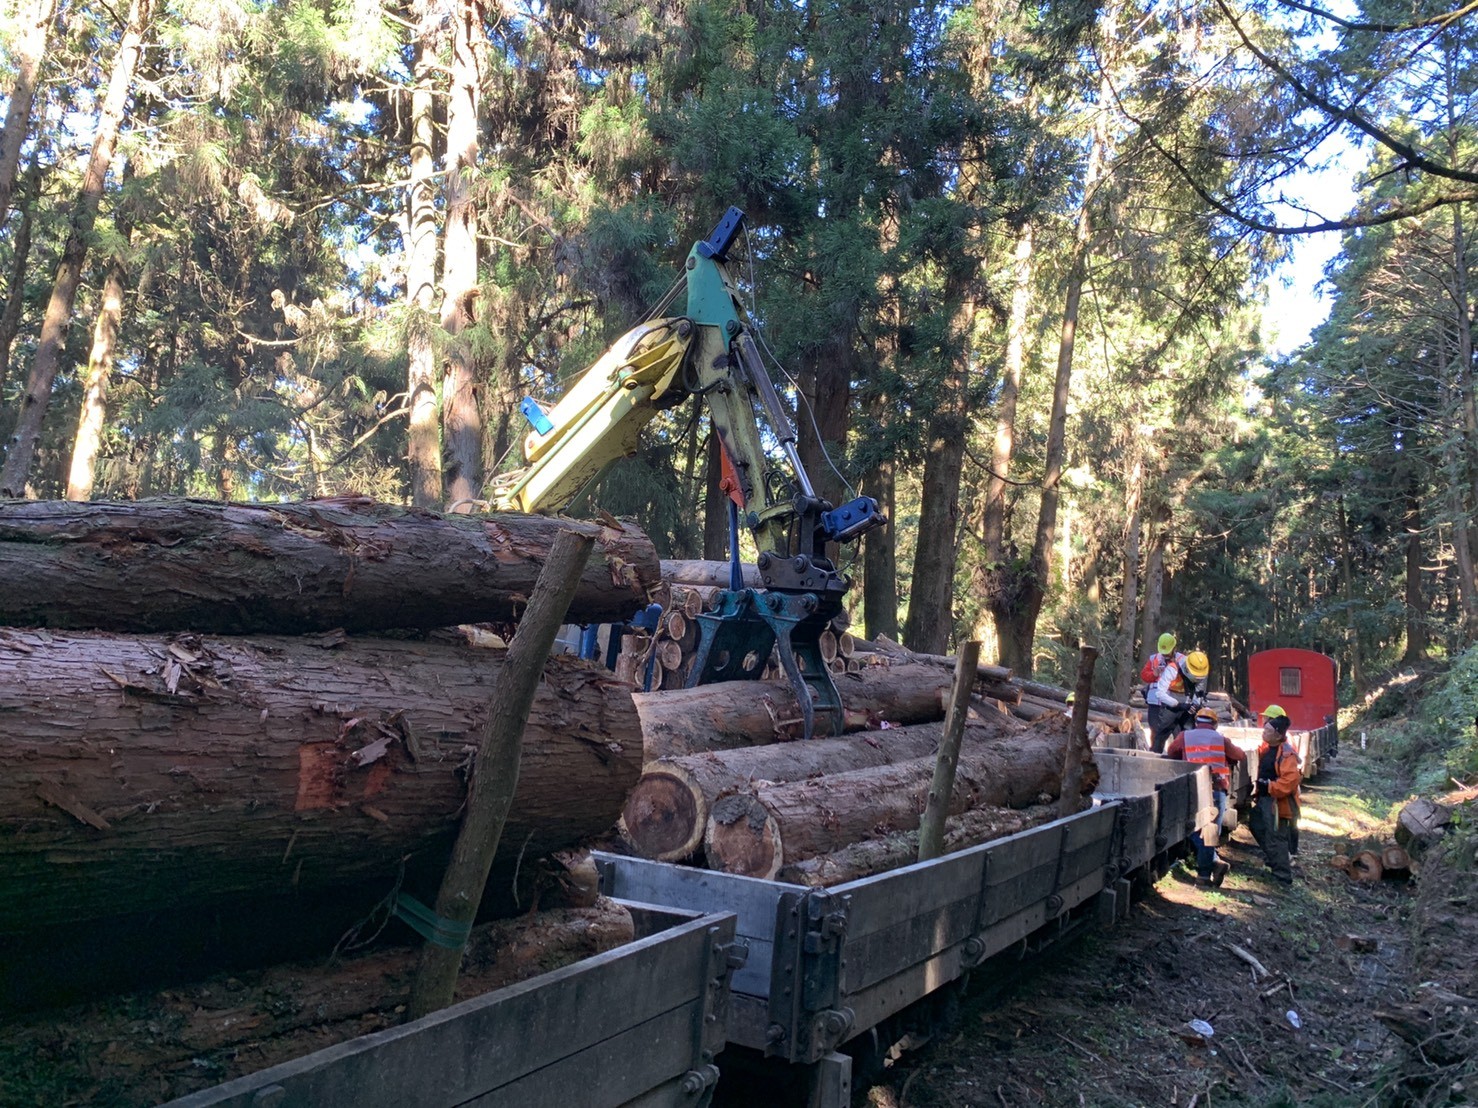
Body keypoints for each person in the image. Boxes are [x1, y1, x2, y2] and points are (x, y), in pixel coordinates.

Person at [1166, 706, 1247, 887]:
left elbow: (1171, 752)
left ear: (1196, 722)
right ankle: (1207, 870)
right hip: (1217, 790)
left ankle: (1209, 869)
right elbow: (1240, 755)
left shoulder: (1184, 737)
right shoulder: (1221, 739)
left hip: (1193, 790)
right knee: (1210, 832)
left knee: (1193, 829)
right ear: (1215, 724)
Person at [1249, 707, 1301, 885]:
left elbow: (1289, 781)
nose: (1264, 733)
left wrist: (1270, 786)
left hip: (1277, 803)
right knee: (1256, 824)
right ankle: (1274, 860)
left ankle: (1282, 876)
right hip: (1265, 799)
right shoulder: (1268, 748)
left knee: (1276, 838)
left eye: (1268, 731)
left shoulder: (1287, 754)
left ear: (1278, 735)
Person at [1145, 644, 1210, 753]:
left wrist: (1195, 704)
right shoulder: (1173, 669)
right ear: (1188, 669)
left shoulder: (1202, 670)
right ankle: (1155, 757)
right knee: (1161, 735)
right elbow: (1160, 693)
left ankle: (1187, 760)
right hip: (1171, 704)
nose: (1197, 679)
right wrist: (1177, 704)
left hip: (1187, 704)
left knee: (1188, 735)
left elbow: (1199, 691)